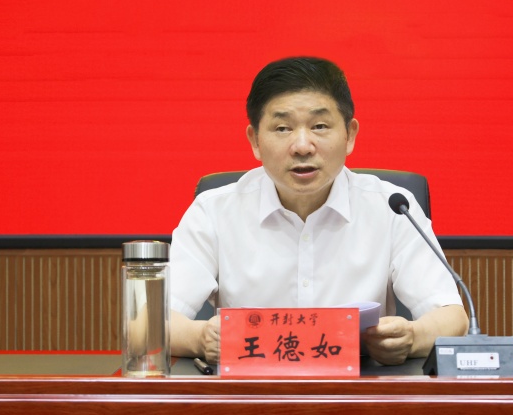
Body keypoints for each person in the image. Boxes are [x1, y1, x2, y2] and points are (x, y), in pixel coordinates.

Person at [168, 56, 468, 366]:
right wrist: (200, 337)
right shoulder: (214, 211)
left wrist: (412, 337)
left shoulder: (392, 206)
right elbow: (150, 324)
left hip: (361, 389)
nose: (302, 146)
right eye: (282, 128)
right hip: (250, 389)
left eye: (320, 126)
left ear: (349, 135)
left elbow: (452, 317)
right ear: (255, 140)